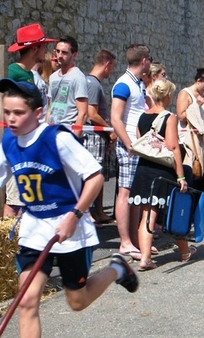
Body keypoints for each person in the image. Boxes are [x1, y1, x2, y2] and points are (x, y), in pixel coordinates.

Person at [0, 78, 138, 338]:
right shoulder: (10, 142)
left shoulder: (56, 139)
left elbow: (95, 177)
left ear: (37, 113)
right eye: (7, 113)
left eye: (18, 113)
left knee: (77, 301)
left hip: (69, 226)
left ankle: (116, 269)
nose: (11, 119)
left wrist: (75, 215)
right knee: (26, 301)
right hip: (35, 228)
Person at [0, 23, 57, 218]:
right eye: (43, 46)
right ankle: (12, 244)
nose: (46, 51)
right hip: (19, 145)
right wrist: (14, 127)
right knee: (15, 203)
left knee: (26, 199)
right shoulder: (14, 72)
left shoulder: (29, 74)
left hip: (30, 144)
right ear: (34, 48)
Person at [129, 78, 196, 270]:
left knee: (146, 216)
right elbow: (173, 147)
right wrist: (181, 176)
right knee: (175, 212)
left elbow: (140, 139)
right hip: (161, 172)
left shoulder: (142, 117)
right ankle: (184, 252)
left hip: (143, 170)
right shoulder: (169, 117)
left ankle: (145, 258)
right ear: (168, 96)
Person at [110, 44, 153, 260]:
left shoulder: (136, 84)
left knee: (136, 194)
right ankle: (125, 242)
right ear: (144, 61)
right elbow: (115, 118)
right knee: (125, 193)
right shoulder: (124, 84)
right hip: (130, 146)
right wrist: (128, 144)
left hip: (138, 145)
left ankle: (136, 240)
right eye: (150, 59)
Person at [86, 49, 117, 224]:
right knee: (94, 174)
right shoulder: (91, 84)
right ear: (107, 64)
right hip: (94, 136)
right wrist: (109, 130)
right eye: (111, 67)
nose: (111, 71)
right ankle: (89, 211)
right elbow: (92, 113)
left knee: (101, 174)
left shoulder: (94, 83)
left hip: (100, 137)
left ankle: (98, 211)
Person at [177, 68, 204, 189]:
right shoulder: (185, 93)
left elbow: (202, 115)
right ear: (198, 81)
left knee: (203, 173)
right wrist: (196, 105)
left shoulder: (202, 94)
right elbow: (181, 116)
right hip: (188, 139)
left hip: (201, 139)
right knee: (193, 172)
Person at [46, 35, 88, 139]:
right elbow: (51, 107)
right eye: (58, 51)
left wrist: (75, 138)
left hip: (68, 133)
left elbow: (83, 113)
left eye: (64, 52)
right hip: (52, 132)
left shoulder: (78, 77)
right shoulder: (53, 77)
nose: (59, 55)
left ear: (74, 55)